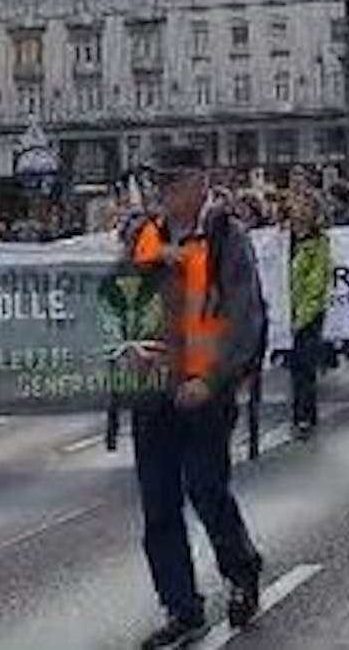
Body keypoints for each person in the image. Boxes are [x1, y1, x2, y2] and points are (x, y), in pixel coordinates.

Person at [123, 146, 265, 647]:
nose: (165, 192)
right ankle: (182, 608)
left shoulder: (226, 236)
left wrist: (213, 378)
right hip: (152, 392)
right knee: (158, 504)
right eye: (160, 183)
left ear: (200, 182)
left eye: (175, 182)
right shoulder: (144, 236)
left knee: (206, 488)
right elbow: (122, 299)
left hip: (204, 390)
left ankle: (242, 568)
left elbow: (244, 315)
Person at [287, 192, 331, 440]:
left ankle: (304, 417)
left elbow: (317, 282)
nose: (299, 211)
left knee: (305, 365)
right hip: (287, 312)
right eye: (297, 206)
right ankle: (301, 414)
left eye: (305, 207)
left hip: (309, 314)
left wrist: (302, 316)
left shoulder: (319, 242)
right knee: (295, 367)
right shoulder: (284, 240)